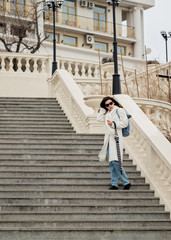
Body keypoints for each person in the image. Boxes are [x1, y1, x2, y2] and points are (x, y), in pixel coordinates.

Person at [97, 96, 131, 190]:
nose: (110, 106)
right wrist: (102, 109)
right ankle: (114, 184)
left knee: (116, 161)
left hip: (116, 138)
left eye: (110, 103)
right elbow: (99, 118)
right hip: (108, 140)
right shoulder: (107, 113)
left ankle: (126, 182)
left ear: (114, 102)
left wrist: (113, 124)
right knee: (111, 162)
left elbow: (124, 123)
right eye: (107, 105)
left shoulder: (119, 110)